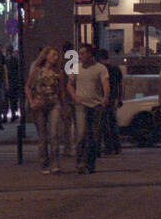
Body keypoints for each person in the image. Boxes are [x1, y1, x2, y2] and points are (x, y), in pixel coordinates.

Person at [25, 47, 69, 173]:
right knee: (42, 135)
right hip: (39, 104)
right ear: (46, 56)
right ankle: (44, 163)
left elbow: (61, 91)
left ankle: (55, 164)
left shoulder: (58, 72)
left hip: (54, 104)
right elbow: (27, 87)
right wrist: (32, 101)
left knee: (54, 134)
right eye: (53, 54)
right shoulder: (37, 71)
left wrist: (63, 107)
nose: (56, 57)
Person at [68, 43, 109, 174]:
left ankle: (90, 163)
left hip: (95, 105)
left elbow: (105, 83)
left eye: (83, 53)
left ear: (90, 54)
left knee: (93, 136)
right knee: (81, 134)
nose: (80, 56)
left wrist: (105, 97)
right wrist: (74, 96)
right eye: (79, 53)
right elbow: (69, 84)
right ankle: (80, 162)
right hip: (81, 104)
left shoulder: (100, 68)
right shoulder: (76, 67)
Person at [97, 48, 124, 156]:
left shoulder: (100, 69)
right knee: (113, 123)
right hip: (113, 98)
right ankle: (117, 147)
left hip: (102, 98)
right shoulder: (116, 69)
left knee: (102, 124)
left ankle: (107, 147)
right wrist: (120, 98)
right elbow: (120, 85)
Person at [5, 47, 23, 123]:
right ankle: (13, 114)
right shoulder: (15, 60)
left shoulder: (6, 59)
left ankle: (5, 115)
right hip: (14, 82)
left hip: (8, 81)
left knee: (7, 100)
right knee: (13, 100)